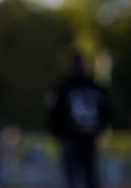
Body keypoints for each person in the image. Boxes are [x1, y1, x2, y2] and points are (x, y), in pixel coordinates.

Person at [45, 51, 109, 188]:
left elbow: (55, 111)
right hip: (88, 137)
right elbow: (106, 110)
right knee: (91, 177)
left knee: (72, 178)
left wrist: (55, 131)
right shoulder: (94, 85)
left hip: (71, 137)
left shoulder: (64, 86)